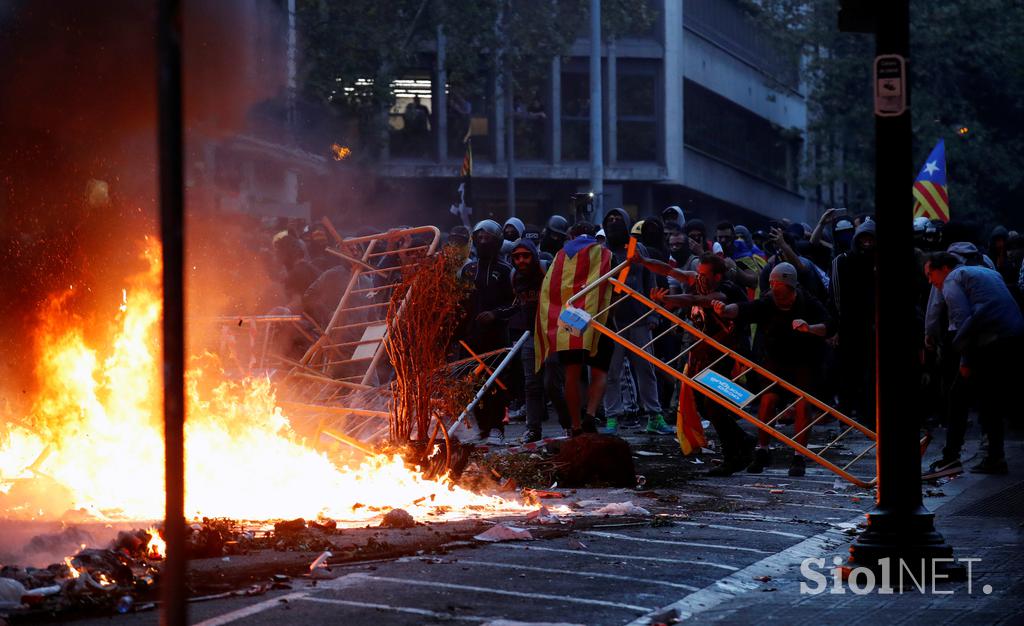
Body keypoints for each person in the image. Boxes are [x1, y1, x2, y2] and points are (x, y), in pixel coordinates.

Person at [633, 252, 756, 475]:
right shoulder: (699, 281)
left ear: (717, 275)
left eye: (705, 274)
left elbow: (696, 301)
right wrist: (644, 261)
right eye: (698, 273)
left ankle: (733, 454)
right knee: (703, 406)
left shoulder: (725, 290)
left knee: (714, 405)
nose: (699, 278)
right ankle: (742, 439)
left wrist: (668, 300)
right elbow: (671, 271)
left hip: (725, 355)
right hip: (702, 354)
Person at [712, 262, 835, 476]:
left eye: (782, 291)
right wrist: (725, 310)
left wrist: (809, 328)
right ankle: (763, 450)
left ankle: (799, 455)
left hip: (804, 359)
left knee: (803, 404)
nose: (778, 295)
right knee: (768, 400)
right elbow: (743, 309)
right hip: (774, 360)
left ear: (792, 288)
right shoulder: (767, 302)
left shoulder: (808, 302)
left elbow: (829, 326)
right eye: (774, 289)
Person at [924, 252, 1024, 474]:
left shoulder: (952, 280)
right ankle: (995, 457)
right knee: (991, 399)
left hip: (991, 341)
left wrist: (966, 360)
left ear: (943, 269)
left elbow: (962, 319)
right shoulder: (985, 271)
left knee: (958, 396)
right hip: (1012, 336)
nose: (931, 281)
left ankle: (951, 457)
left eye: (931, 274)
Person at [535, 221, 613, 435]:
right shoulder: (605, 253)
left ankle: (576, 425)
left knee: (572, 373)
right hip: (600, 319)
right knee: (599, 372)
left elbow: (548, 290)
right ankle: (590, 414)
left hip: (570, 320)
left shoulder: (560, 255)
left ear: (571, 235)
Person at [601, 209, 673, 435]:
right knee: (611, 371)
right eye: (609, 220)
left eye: (617, 220)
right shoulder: (601, 252)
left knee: (646, 369)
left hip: (640, 319)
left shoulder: (637, 248)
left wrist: (653, 315)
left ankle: (654, 415)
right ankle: (612, 417)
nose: (613, 224)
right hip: (612, 320)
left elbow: (649, 280)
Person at [459, 220, 514, 445]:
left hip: (496, 335)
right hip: (470, 335)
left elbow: (515, 303)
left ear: (497, 241)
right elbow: (458, 302)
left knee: (495, 382)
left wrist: (496, 314)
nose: (483, 241)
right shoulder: (468, 269)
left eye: (487, 238)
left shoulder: (506, 270)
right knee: (471, 382)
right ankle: (481, 427)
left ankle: (497, 428)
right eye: (479, 237)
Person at [494, 239, 549, 443]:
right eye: (517, 257)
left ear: (533, 256)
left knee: (553, 384)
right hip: (530, 334)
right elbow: (517, 304)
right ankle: (533, 429)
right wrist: (495, 314)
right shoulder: (515, 276)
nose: (521, 260)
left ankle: (570, 425)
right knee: (531, 384)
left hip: (552, 332)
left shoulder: (546, 270)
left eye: (525, 255)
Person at [829, 220, 876, 419]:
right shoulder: (842, 261)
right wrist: (837, 326)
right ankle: (847, 415)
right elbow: (836, 296)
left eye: (870, 239)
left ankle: (867, 414)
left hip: (871, 326)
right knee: (848, 372)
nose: (867, 243)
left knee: (869, 373)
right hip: (849, 325)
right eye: (863, 238)